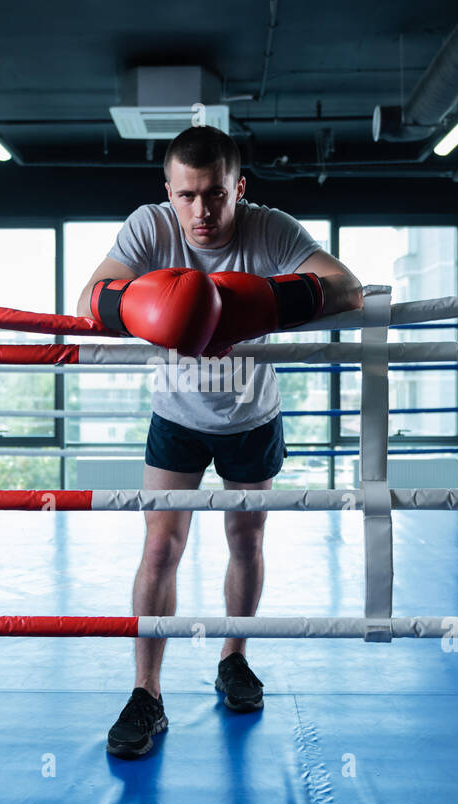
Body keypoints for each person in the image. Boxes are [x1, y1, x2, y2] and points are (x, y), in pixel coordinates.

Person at [75, 125, 363, 758]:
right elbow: (90, 297)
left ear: (239, 186)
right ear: (167, 192)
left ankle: (233, 658)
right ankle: (146, 692)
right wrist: (158, 306)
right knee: (160, 547)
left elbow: (347, 287)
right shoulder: (150, 226)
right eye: (186, 196)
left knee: (246, 540)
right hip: (176, 415)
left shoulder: (271, 228)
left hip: (252, 416)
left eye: (214, 195)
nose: (200, 213)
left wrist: (256, 303)